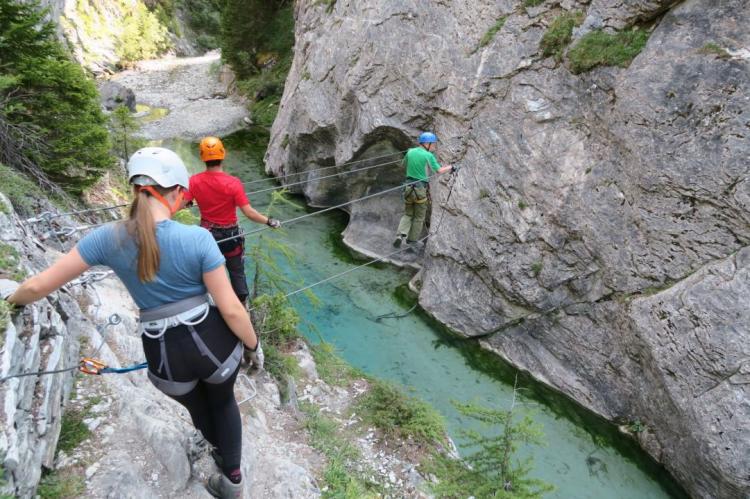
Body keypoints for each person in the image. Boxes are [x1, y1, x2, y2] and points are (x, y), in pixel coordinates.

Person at [0, 147, 258, 499]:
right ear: (177, 192)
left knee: (198, 406)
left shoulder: (107, 238)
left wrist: (8, 305)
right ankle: (232, 478)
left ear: (135, 189)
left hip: (164, 357)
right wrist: (252, 345)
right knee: (224, 401)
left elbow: (37, 286)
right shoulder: (197, 239)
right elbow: (231, 310)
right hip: (214, 345)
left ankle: (215, 447)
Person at [184, 136, 280, 306]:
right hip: (231, 237)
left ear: (202, 157)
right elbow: (249, 212)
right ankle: (241, 306)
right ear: (223, 154)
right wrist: (269, 221)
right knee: (236, 272)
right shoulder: (233, 183)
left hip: (207, 237)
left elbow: (183, 202)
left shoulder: (194, 181)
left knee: (208, 272)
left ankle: (209, 305)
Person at [393, 132, 458, 249]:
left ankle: (399, 235)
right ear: (427, 143)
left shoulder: (410, 152)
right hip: (420, 190)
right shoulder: (428, 156)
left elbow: (403, 165)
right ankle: (411, 240)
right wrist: (451, 167)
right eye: (433, 144)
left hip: (408, 188)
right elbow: (438, 170)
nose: (434, 146)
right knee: (419, 217)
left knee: (408, 214)